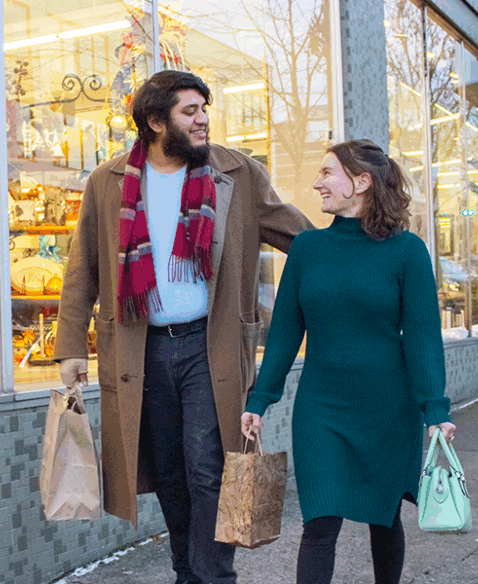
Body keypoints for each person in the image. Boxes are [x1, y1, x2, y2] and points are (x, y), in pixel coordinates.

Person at [54, 70, 311, 584]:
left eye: (204, 109)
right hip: (139, 350)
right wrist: (70, 348)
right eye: (189, 111)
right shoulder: (108, 183)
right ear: (155, 121)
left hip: (208, 347)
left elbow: (298, 238)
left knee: (207, 471)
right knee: (169, 474)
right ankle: (186, 572)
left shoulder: (236, 174)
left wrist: (356, 245)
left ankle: (214, 577)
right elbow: (83, 268)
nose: (203, 120)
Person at [239, 139, 457, 584]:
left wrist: (435, 410)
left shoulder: (407, 251)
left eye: (326, 173)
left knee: (384, 517)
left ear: (361, 182)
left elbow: (422, 339)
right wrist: (259, 400)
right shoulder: (307, 250)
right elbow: (283, 334)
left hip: (388, 408)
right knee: (319, 522)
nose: (316, 183)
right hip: (322, 409)